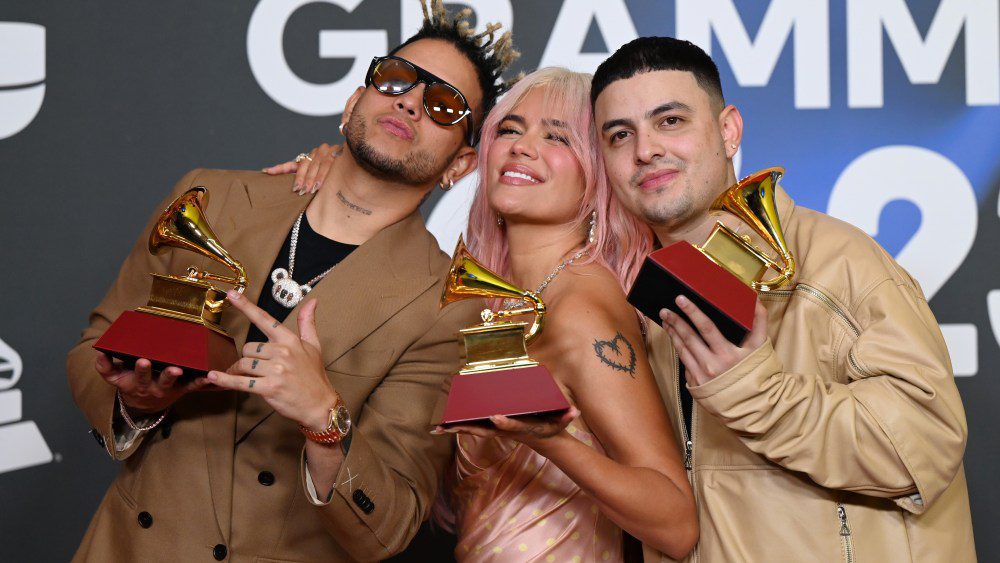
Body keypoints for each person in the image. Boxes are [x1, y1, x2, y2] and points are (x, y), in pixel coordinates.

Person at [65, 2, 518, 560]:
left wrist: (325, 420)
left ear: (461, 164)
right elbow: (96, 344)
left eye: (445, 104)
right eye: (396, 79)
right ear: (356, 99)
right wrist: (134, 401)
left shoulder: (445, 306)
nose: (410, 101)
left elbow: (392, 523)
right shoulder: (211, 197)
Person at [277, 67, 699, 562]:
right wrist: (337, 169)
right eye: (511, 129)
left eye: (557, 137)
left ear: (597, 171)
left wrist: (553, 441)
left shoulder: (582, 308)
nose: (522, 146)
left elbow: (675, 523)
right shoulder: (495, 296)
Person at [591, 37, 975, 562]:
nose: (646, 149)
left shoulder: (840, 266)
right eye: (620, 135)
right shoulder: (642, 308)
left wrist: (757, 391)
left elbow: (926, 447)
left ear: (729, 130)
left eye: (671, 121)